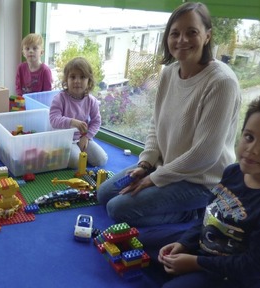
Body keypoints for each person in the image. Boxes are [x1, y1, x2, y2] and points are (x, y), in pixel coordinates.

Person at [139, 90, 260, 288]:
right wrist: (185, 244)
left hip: (231, 276)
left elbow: (255, 267)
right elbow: (208, 216)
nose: (252, 149)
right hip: (205, 246)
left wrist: (195, 262)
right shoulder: (233, 171)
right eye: (249, 136)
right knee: (138, 241)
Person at [97, 2, 242, 227]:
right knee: (104, 194)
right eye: (175, 33)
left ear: (207, 36)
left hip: (200, 182)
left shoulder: (221, 82)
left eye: (191, 32)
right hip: (166, 167)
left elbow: (205, 155)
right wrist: (145, 165)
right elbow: (157, 124)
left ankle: (193, 215)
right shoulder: (169, 73)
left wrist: (153, 179)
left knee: (117, 209)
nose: (182, 40)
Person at [50, 56, 108, 168]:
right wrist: (73, 122)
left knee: (101, 160)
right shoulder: (59, 98)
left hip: (83, 137)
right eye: (72, 77)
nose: (77, 81)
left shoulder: (91, 101)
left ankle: (79, 153)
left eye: (82, 77)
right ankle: (75, 155)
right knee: (75, 162)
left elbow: (96, 121)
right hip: (64, 139)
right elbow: (53, 120)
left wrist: (86, 137)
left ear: (88, 81)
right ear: (66, 80)